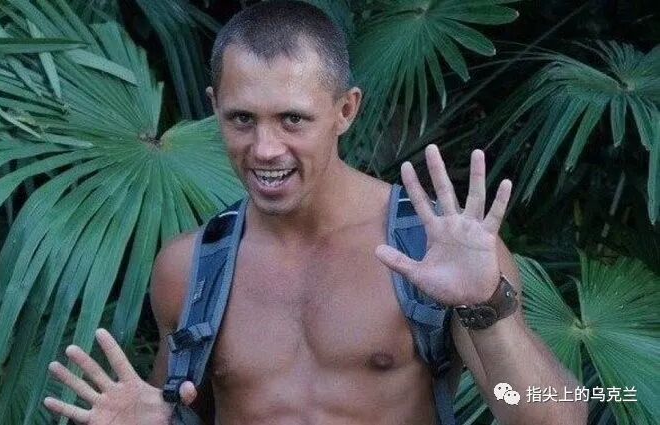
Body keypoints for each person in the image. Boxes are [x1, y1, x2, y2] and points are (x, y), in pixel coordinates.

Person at [43, 1, 587, 424]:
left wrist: (486, 308)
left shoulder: (431, 249)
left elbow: (552, 417)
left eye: (293, 119)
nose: (265, 149)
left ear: (345, 110)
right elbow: (186, 412)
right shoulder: (189, 270)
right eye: (241, 119)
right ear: (214, 108)